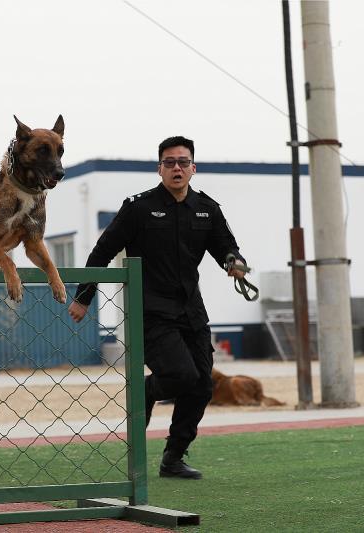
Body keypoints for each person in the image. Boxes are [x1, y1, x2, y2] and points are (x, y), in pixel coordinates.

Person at [69, 136, 247, 479]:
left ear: (193, 168)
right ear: (159, 168)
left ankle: (173, 458)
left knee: (203, 387)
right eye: (169, 162)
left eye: (183, 162)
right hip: (149, 312)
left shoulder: (207, 209)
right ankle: (148, 389)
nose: (176, 168)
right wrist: (83, 298)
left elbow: (226, 247)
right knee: (181, 377)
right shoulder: (138, 208)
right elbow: (101, 252)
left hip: (192, 312)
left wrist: (234, 263)